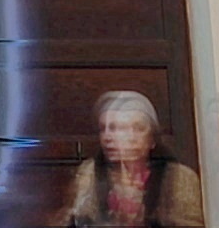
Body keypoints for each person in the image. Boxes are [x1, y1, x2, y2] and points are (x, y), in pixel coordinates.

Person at [62, 90, 203, 226]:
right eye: (102, 129)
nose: (107, 137)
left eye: (116, 129)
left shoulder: (180, 178)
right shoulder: (88, 174)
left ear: (149, 138)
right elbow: (75, 219)